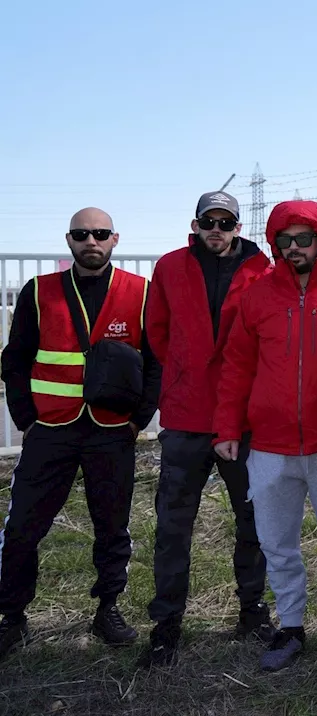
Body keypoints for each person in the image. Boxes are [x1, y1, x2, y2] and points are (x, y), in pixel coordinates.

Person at [210, 201, 317, 672]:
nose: (293, 248)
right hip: (269, 445)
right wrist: (227, 427)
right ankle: (291, 624)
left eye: (303, 239)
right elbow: (237, 367)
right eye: (283, 240)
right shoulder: (258, 295)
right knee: (276, 541)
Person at [0, 208, 161, 661]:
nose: (91, 240)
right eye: (81, 234)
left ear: (114, 239)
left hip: (112, 429)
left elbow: (155, 362)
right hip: (50, 428)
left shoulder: (140, 291)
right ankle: (12, 616)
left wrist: (139, 419)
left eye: (100, 233)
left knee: (113, 525)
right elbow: (14, 361)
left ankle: (107, 608)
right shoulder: (39, 291)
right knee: (22, 527)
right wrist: (26, 418)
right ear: (69, 240)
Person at [142, 191, 275, 668]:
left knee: (253, 520)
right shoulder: (170, 267)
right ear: (195, 225)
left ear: (239, 226)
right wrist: (182, 373)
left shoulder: (264, 269)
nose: (216, 229)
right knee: (174, 524)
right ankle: (167, 622)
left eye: (226, 221)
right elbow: (156, 332)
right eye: (208, 221)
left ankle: (252, 611)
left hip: (242, 419)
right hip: (186, 419)